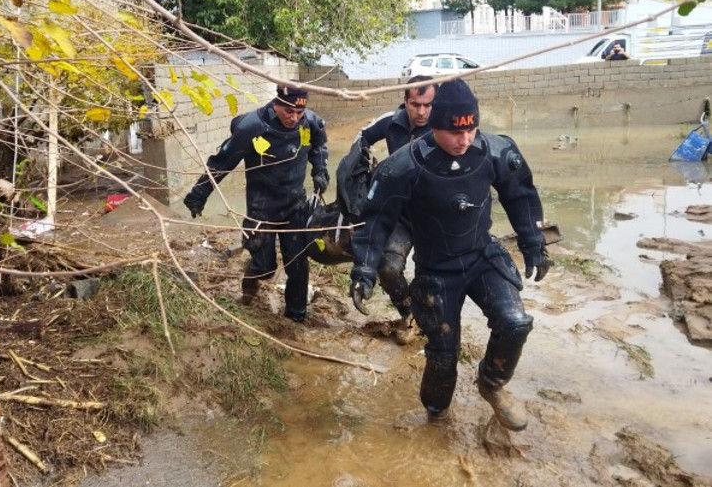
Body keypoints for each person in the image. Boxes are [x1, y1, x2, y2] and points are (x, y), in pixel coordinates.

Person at [349, 79, 552, 431]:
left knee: (515, 322)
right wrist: (365, 268)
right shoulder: (404, 166)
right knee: (443, 358)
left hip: (480, 255)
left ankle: (491, 384)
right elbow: (375, 219)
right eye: (455, 132)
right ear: (435, 126)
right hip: (437, 269)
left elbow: (519, 195)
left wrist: (533, 243)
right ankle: (436, 416)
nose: (465, 139)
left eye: (472, 129)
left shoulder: (495, 151)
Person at [183, 86, 330, 322]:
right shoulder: (252, 127)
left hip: (295, 204)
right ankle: (250, 284)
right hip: (262, 206)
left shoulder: (310, 122)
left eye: (299, 111)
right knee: (265, 267)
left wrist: (321, 169)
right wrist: (199, 194)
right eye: (289, 111)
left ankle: (296, 316)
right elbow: (222, 162)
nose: (294, 117)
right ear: (276, 104)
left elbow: (319, 146)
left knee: (298, 265)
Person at [354, 76, 437, 344]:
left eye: (428, 105)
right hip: (401, 212)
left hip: (434, 217)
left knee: (433, 278)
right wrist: (367, 169)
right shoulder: (391, 122)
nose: (422, 112)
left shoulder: (446, 125)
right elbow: (363, 138)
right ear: (405, 102)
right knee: (387, 268)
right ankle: (407, 314)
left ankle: (436, 324)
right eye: (416, 104)